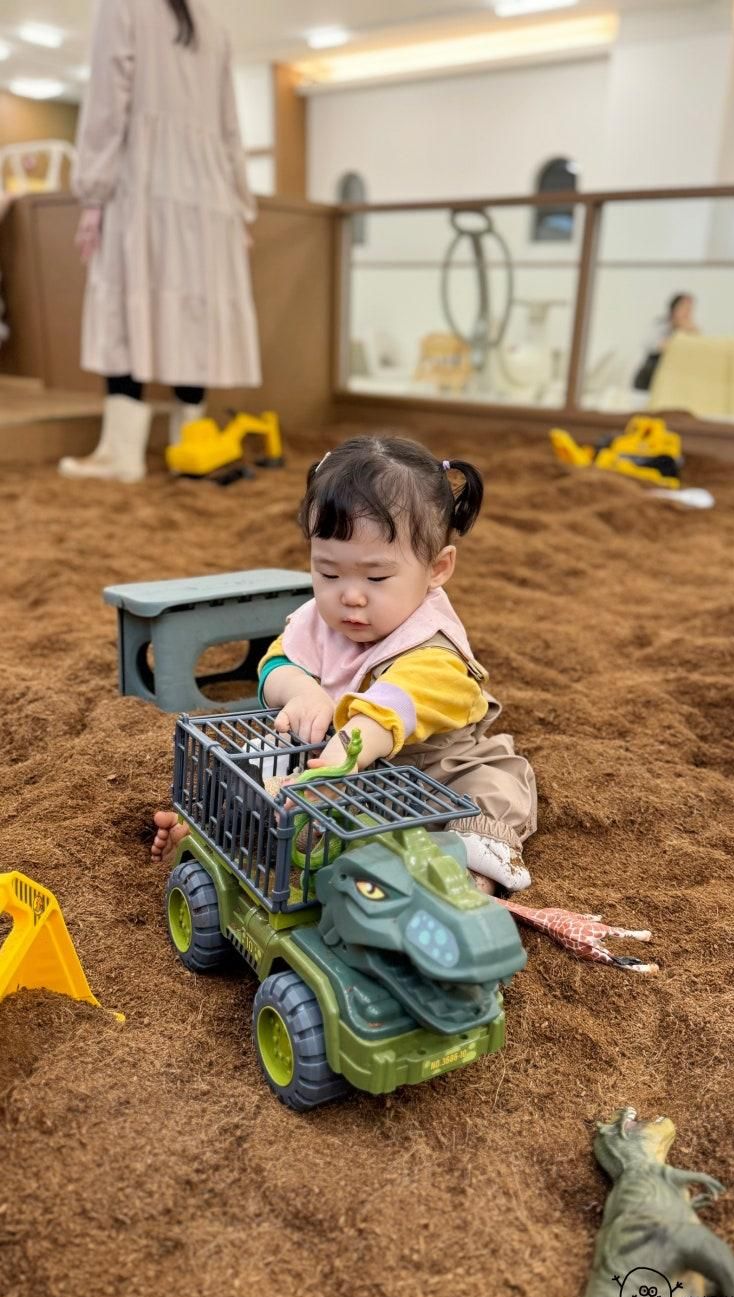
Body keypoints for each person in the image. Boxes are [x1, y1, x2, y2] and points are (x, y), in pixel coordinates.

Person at [153, 435, 538, 895]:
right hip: (331, 767)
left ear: (437, 568)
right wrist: (300, 690)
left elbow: (398, 701)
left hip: (432, 772)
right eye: (329, 572)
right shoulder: (324, 618)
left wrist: (351, 746)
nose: (350, 595)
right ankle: (209, 831)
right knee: (252, 763)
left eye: (376, 577)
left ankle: (466, 879)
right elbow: (275, 662)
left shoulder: (434, 647)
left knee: (496, 789)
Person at [60, 0, 261, 483]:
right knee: (190, 313)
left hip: (144, 181)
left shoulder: (122, 6)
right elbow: (231, 126)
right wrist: (239, 203)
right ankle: (188, 445)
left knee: (126, 308)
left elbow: (108, 102)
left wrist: (93, 193)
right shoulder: (212, 21)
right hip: (208, 192)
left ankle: (121, 455)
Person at [633, 293, 699, 392]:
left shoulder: (691, 330)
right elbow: (655, 345)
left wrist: (693, 334)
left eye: (690, 309)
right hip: (651, 377)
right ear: (674, 308)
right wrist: (681, 334)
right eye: (684, 308)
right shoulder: (660, 325)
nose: (687, 312)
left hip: (673, 380)